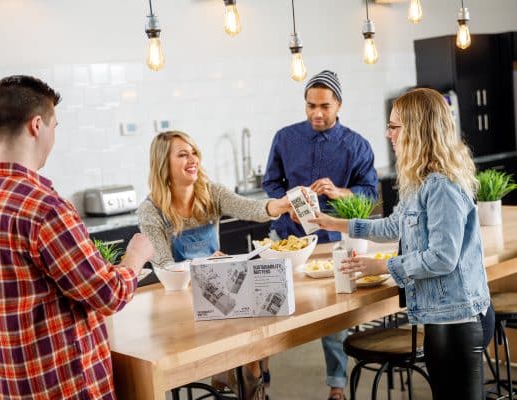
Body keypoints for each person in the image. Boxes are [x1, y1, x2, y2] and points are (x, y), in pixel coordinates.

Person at [0, 75, 154, 399]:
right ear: (37, 125)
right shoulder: (44, 206)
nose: (54, 136)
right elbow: (109, 294)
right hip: (64, 387)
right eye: (55, 125)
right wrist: (136, 256)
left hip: (7, 386)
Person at [309, 88, 494, 400]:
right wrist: (334, 223)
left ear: (417, 130)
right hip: (441, 317)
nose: (388, 134)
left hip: (460, 319)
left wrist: (381, 266)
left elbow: (442, 258)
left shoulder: (441, 186)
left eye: (394, 126)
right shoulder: (420, 182)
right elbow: (395, 226)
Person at [137, 130, 291, 399]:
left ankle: (242, 379)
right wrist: (205, 262)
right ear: (164, 164)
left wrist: (280, 205)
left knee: (257, 334)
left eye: (193, 152)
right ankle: (236, 376)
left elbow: (250, 209)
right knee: (247, 344)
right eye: (182, 154)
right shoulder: (151, 210)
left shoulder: (211, 193)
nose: (192, 159)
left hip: (217, 294)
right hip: (178, 304)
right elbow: (164, 265)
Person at [262, 70, 378, 400]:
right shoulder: (285, 138)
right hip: (286, 239)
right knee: (270, 308)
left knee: (334, 320)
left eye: (324, 106)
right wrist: (286, 203)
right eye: (311, 105)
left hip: (333, 243)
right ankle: (260, 380)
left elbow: (370, 195)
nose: (317, 112)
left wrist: (340, 192)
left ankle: (337, 386)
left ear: (338, 104)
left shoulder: (357, 145)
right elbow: (270, 183)